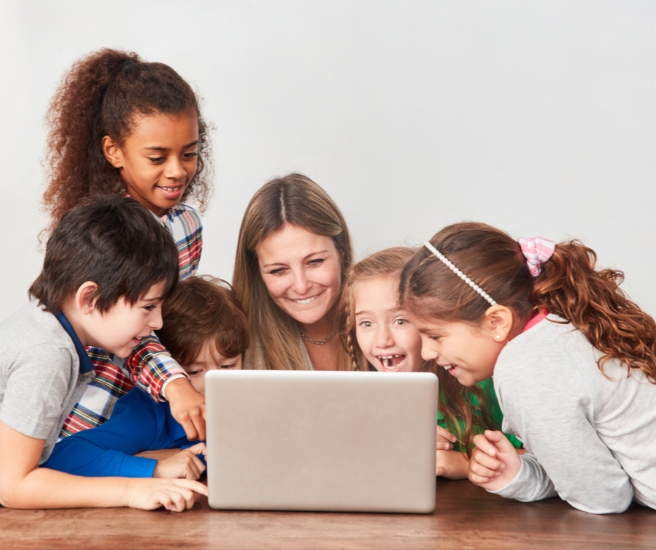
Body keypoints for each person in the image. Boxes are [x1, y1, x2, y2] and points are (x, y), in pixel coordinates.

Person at [0, 197, 208, 549]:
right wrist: (135, 490)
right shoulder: (48, 354)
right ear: (89, 298)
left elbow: (11, 478)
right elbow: (17, 488)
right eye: (148, 307)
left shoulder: (44, 328)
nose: (158, 323)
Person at [399, 222, 656, 529]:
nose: (426, 352)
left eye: (436, 336)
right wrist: (518, 474)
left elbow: (604, 496)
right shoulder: (558, 330)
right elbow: (593, 473)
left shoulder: (527, 367)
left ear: (496, 322)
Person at [42, 48, 211, 439]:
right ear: (113, 151)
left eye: (189, 154)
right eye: (157, 157)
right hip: (84, 410)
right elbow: (132, 335)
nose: (177, 171)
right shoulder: (100, 234)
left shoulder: (186, 225)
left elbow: (156, 322)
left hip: (146, 402)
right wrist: (175, 384)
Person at [339, 246, 521, 479]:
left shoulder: (482, 384)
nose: (382, 340)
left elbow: (543, 462)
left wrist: (465, 464)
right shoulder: (359, 400)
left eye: (400, 321)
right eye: (366, 324)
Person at [41, 276, 248, 480]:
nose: (214, 382)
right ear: (168, 364)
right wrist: (152, 467)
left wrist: (187, 454)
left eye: (228, 366)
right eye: (194, 371)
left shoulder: (253, 397)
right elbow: (61, 457)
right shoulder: (150, 412)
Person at [233, 173, 355, 371]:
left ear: (342, 253)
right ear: (257, 273)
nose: (301, 286)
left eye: (314, 262)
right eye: (278, 270)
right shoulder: (237, 352)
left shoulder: (387, 326)